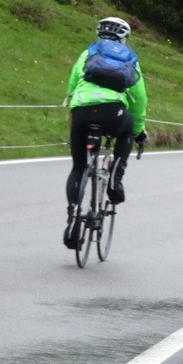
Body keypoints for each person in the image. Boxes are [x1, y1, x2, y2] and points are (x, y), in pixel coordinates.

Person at [63, 16, 148, 250]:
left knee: (79, 168)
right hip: (113, 112)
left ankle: (72, 220)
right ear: (124, 37)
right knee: (127, 130)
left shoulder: (88, 53)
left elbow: (71, 85)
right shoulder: (129, 58)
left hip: (81, 112)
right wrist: (139, 131)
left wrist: (76, 103)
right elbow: (139, 99)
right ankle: (114, 180)